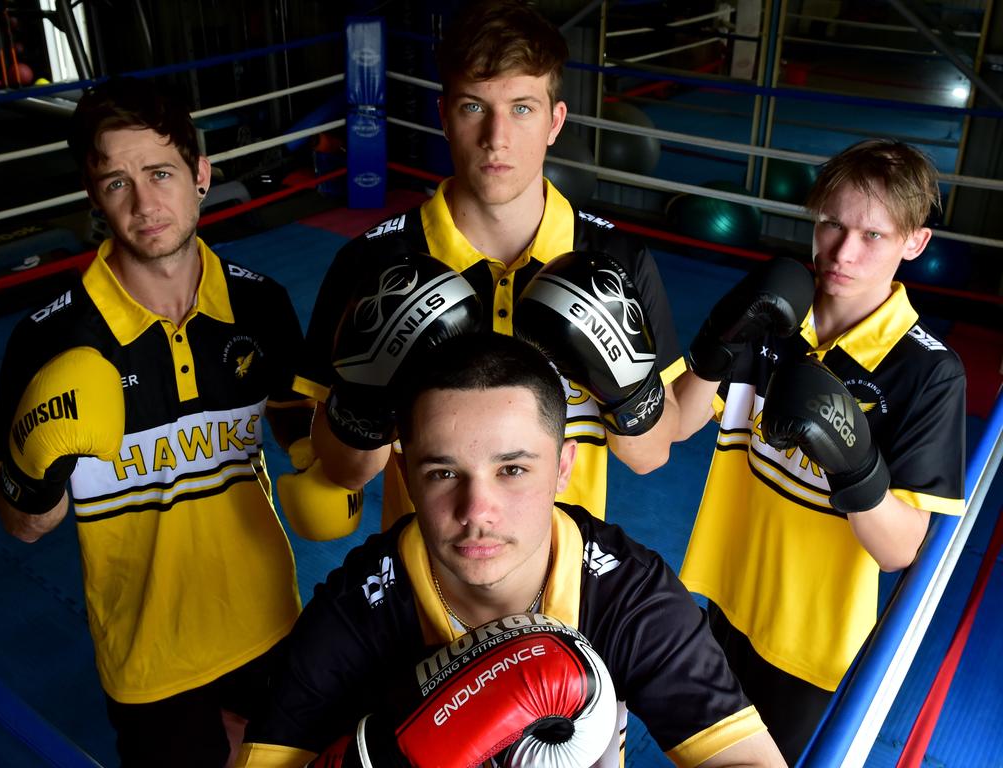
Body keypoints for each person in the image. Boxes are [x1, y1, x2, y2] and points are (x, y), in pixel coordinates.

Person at [239, 332, 786, 768]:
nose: (477, 509)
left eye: (513, 469)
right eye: (444, 472)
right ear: (404, 474)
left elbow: (748, 761)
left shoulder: (629, 594)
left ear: (563, 468)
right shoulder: (358, 610)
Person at [0, 77, 314, 767]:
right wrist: (34, 467)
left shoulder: (261, 305)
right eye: (116, 183)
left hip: (270, 622)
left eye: (160, 173)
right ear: (93, 195)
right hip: (148, 660)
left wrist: (329, 456)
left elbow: (295, 426)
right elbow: (22, 522)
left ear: (200, 175)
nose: (143, 205)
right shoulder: (49, 339)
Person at [291, 0, 685, 531]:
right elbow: (343, 469)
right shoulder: (373, 263)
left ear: (555, 121)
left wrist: (626, 388)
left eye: (522, 107)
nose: (496, 137)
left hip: (564, 579)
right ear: (444, 117)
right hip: (424, 573)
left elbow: (650, 454)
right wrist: (366, 400)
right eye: (474, 107)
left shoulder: (618, 261)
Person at [672, 139, 967, 762]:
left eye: (874, 236)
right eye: (832, 224)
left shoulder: (928, 372)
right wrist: (717, 343)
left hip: (813, 643)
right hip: (726, 595)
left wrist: (856, 465)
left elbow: (902, 551)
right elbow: (678, 424)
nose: (842, 253)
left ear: (914, 243)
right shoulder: (776, 314)